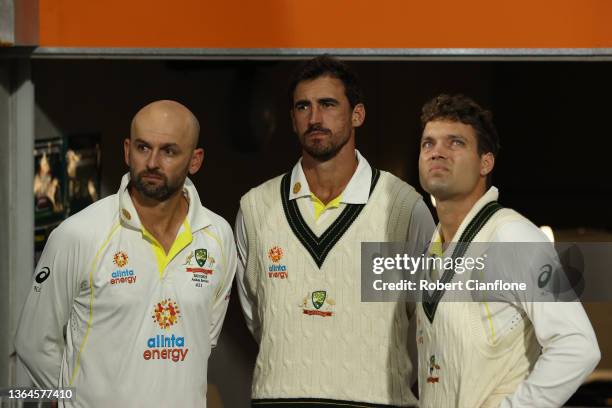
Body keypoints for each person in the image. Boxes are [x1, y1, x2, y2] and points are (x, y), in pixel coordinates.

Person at [235, 56, 435, 407]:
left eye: (328, 104)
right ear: (292, 120)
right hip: (279, 399)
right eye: (303, 106)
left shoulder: (402, 207)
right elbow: (260, 315)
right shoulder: (256, 207)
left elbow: (429, 321)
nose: (315, 118)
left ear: (357, 114)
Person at [15, 100, 237, 407]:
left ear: (195, 160)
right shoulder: (79, 233)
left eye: (169, 151)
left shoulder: (219, 235)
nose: (152, 163)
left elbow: (202, 338)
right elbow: (33, 342)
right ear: (126, 150)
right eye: (143, 148)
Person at [416, 94, 600, 407]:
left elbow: (578, 345)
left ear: (485, 162)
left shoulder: (513, 236)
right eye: (428, 143)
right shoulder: (433, 249)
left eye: (455, 143)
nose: (438, 153)